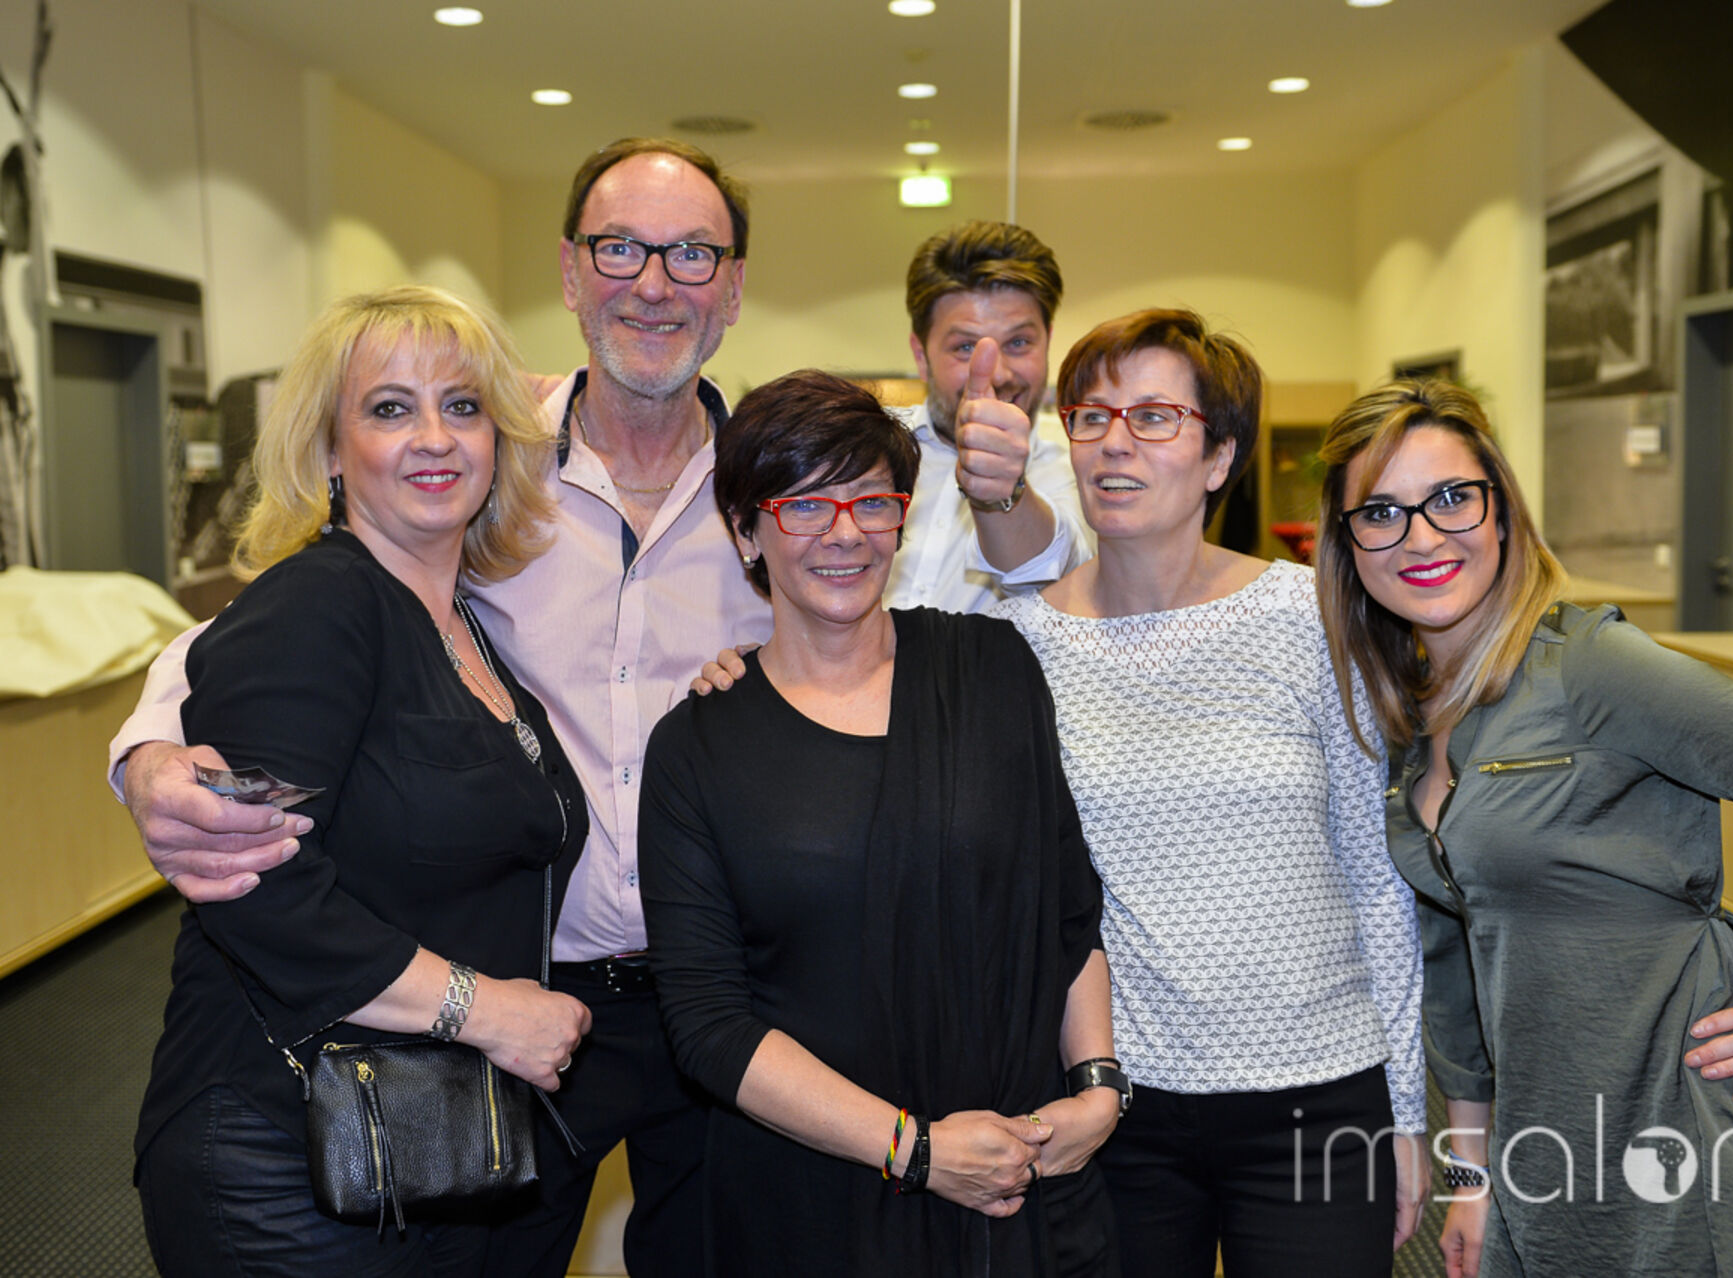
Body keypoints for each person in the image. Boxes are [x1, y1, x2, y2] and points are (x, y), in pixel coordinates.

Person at [108, 143, 1096, 1277]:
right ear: (572, 273)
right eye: (621, 249)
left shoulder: (779, 490)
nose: (655, 283)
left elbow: (939, 624)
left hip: (730, 997)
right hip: (521, 998)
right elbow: (270, 625)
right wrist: (148, 752)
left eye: (693, 255)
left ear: (733, 287)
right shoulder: (483, 460)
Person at [1315, 378, 1733, 1278]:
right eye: (1381, 513)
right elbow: (1455, 969)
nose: (1423, 536)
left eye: (1451, 498)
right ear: (1347, 545)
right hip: (1544, 1147)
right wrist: (1471, 1174)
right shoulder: (1408, 714)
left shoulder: (1592, 668)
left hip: (1690, 1133)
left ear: (1501, 511)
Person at [134, 285, 592, 1275]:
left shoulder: (464, 626)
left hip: (422, 1143)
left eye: (462, 406)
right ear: (332, 451)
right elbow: (258, 882)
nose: (435, 438)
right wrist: (487, 1010)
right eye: (390, 408)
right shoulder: (315, 606)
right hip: (280, 1157)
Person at [642, 370, 1120, 1276]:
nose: (844, 533)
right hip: (815, 1202)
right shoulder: (697, 747)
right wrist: (918, 1149)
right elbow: (708, 1025)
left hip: (1025, 1179)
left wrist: (1097, 1087)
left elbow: (1067, 915)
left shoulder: (990, 668)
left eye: (871, 501)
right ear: (744, 530)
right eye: (803, 506)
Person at [992, 310, 1427, 1277]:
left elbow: (1376, 877)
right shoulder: (1019, 642)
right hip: (1116, 1107)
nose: (1114, 442)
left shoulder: (1312, 616)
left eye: (1153, 417)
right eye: (1092, 415)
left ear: (1220, 455)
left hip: (1318, 1093)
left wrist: (1406, 1110)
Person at [889, 219, 1091, 610]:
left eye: (1019, 342)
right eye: (965, 348)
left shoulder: (1079, 469)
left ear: (1048, 341)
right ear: (921, 356)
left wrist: (1002, 494)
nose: (996, 375)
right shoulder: (862, 454)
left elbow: (1049, 576)